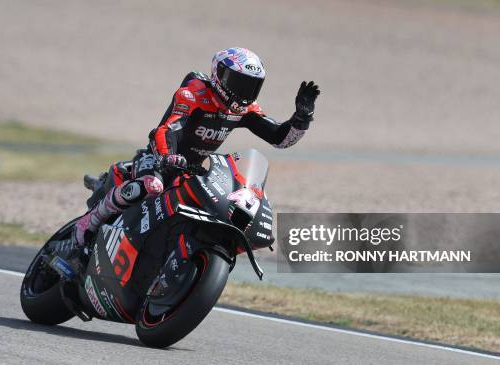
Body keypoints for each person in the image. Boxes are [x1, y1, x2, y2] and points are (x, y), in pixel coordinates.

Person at [52, 47, 319, 258]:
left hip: (191, 170)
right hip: (159, 158)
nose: (243, 92)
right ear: (220, 76)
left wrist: (301, 118)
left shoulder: (243, 110)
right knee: (152, 185)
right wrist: (168, 156)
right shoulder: (194, 93)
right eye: (238, 83)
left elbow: (279, 139)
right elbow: (165, 129)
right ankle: (84, 227)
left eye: (251, 86)